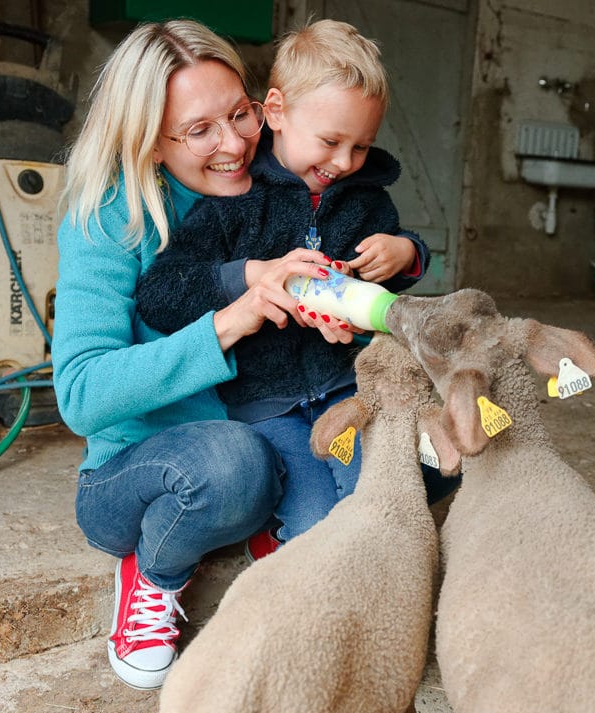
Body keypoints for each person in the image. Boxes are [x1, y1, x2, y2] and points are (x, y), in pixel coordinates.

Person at [51, 19, 349, 691]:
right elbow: (80, 393)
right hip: (138, 470)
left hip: (263, 433)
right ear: (148, 141)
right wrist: (228, 322)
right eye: (200, 130)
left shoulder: (273, 191)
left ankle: (277, 520)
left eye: (240, 114)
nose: (235, 143)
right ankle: (153, 572)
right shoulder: (109, 218)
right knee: (231, 463)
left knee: (394, 451)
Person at [134, 19, 430, 560]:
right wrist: (242, 276)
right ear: (275, 111)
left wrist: (405, 251)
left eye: (361, 146)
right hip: (267, 408)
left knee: (377, 489)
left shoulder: (363, 201)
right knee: (316, 516)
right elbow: (161, 291)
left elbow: (383, 276)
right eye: (331, 141)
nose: (343, 163)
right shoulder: (233, 202)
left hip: (345, 392)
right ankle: (288, 558)